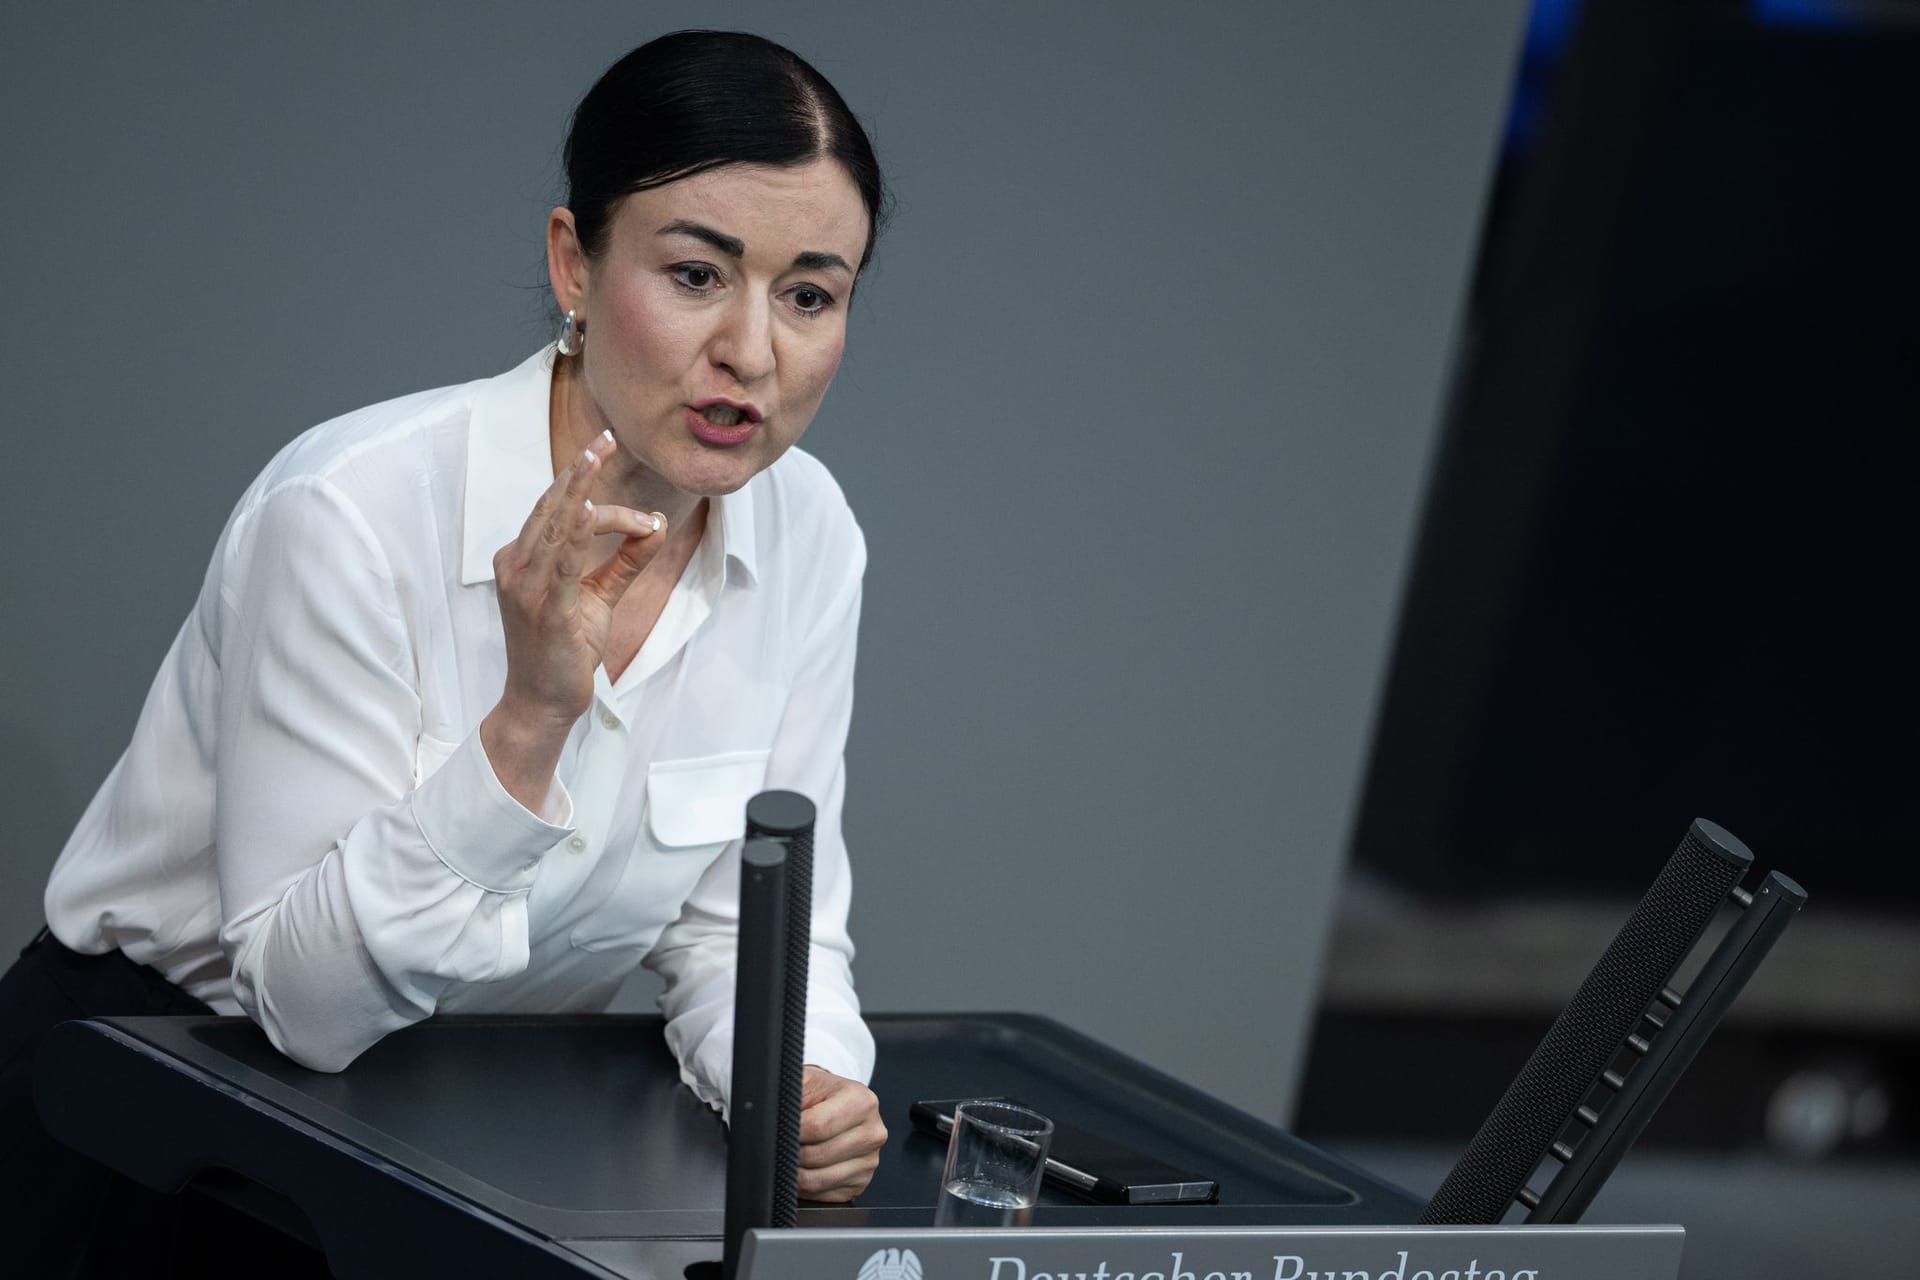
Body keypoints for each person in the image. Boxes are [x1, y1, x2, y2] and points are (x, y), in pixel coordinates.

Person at [0, 29, 890, 1274]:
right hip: (157, 1110)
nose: (754, 350)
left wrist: (801, 1085)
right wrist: (528, 719)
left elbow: (743, 927)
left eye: (810, 293)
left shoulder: (811, 533)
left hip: (461, 1134)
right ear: (574, 263)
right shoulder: (352, 510)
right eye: (697, 274)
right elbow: (303, 1008)